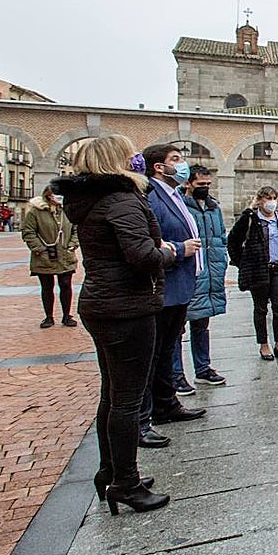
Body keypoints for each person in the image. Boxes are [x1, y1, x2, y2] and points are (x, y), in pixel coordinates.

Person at [54, 136, 170, 515]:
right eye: (130, 152)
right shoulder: (122, 199)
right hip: (127, 307)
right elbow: (142, 255)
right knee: (127, 400)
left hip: (100, 302)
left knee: (113, 394)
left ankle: (110, 471)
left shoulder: (88, 200)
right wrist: (167, 252)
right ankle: (126, 482)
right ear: (117, 160)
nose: (137, 157)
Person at [140, 145, 207, 446]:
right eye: (176, 160)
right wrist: (181, 249)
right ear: (158, 167)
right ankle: (146, 416)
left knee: (167, 348)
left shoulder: (174, 194)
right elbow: (150, 241)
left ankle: (166, 404)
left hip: (180, 284)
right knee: (153, 353)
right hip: (164, 284)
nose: (183, 165)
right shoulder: (151, 196)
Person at [172, 166, 228, 395]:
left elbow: (221, 237)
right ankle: (176, 374)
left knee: (202, 324)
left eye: (207, 185)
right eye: (200, 185)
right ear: (188, 183)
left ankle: (203, 368)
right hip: (187, 273)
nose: (205, 188)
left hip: (210, 272)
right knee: (177, 327)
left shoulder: (214, 208)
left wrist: (222, 262)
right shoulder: (179, 207)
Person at [228, 186, 278, 360]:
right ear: (259, 200)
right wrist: (242, 263)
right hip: (259, 270)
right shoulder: (251, 219)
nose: (271, 202)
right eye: (268, 198)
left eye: (274, 198)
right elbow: (233, 241)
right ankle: (263, 344)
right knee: (261, 309)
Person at [20, 184, 79, 328]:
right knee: (47, 286)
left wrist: (72, 244)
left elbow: (76, 229)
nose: (60, 197)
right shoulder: (35, 212)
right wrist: (39, 249)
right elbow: (28, 232)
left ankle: (67, 316)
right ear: (48, 195)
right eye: (56, 194)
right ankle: (48, 317)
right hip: (44, 256)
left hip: (65, 254)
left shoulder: (68, 210)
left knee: (66, 284)